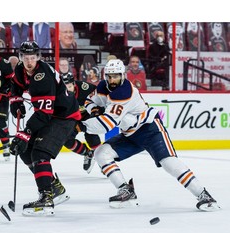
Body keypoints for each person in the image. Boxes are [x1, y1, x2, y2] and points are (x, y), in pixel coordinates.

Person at [78, 59, 220, 212]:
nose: (113, 80)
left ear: (123, 75)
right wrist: (94, 110)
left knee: (169, 163)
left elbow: (107, 124)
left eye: (116, 76)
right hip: (129, 134)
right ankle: (126, 190)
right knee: (101, 153)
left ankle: (203, 195)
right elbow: (89, 100)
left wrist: (81, 126)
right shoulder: (102, 87)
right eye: (110, 76)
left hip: (150, 130)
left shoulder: (124, 93)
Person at [9, 41, 81, 216]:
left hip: (64, 117)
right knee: (26, 151)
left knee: (39, 153)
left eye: (32, 58)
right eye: (26, 58)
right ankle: (54, 188)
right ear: (21, 58)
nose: (29, 62)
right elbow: (16, 86)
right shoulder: (20, 70)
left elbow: (43, 114)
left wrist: (25, 133)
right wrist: (16, 102)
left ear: (38, 58)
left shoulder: (43, 76)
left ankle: (46, 197)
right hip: (49, 115)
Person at [61, 72, 100, 173]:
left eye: (69, 86)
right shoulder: (59, 93)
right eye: (64, 87)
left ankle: (103, 162)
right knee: (66, 139)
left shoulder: (85, 88)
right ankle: (88, 154)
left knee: (92, 138)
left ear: (74, 84)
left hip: (88, 114)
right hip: (74, 118)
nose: (66, 90)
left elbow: (98, 96)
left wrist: (95, 113)